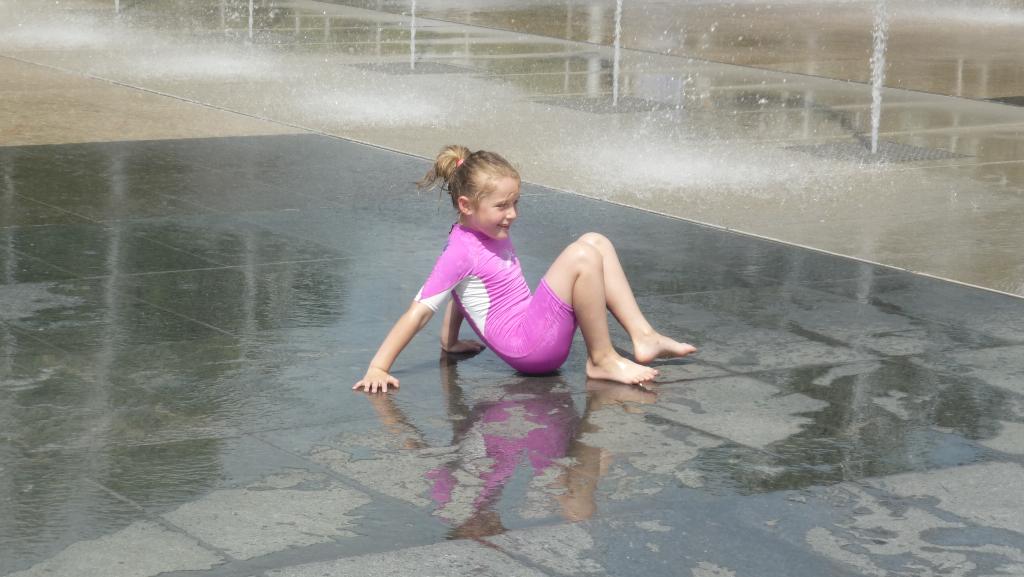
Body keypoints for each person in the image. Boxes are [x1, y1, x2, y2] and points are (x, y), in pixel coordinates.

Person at [354, 145, 695, 393]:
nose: (512, 214)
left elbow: (463, 289)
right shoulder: (460, 251)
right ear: (466, 205)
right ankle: (601, 358)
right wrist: (378, 367)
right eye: (502, 206)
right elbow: (418, 312)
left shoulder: (483, 230)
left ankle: (644, 336)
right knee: (581, 256)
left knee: (596, 241)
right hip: (530, 350)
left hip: (533, 331)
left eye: (515, 202)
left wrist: (450, 341)